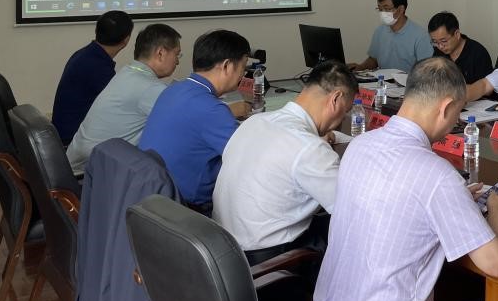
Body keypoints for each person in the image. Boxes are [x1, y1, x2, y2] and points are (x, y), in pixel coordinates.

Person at [311, 57, 498, 301]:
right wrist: (497, 212)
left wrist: (455, 200)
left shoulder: (360, 146)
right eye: (458, 114)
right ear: (446, 108)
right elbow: (494, 263)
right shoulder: (436, 175)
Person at [213, 60, 358, 264]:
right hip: (268, 261)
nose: (342, 118)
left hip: (224, 250)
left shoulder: (254, 122)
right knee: (356, 232)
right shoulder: (310, 149)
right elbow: (352, 211)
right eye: (346, 110)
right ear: (335, 99)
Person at [139, 29, 252, 207]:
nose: (242, 75)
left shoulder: (174, 89)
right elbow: (251, 159)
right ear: (227, 66)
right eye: (243, 68)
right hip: (187, 209)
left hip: (154, 198)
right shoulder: (212, 110)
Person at [66, 23, 181, 175]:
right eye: (177, 54)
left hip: (77, 165)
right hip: (88, 176)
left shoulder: (127, 72)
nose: (177, 61)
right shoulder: (149, 88)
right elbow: (185, 123)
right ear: (161, 53)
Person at [52, 10, 134, 144]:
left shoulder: (85, 54)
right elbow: (122, 108)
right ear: (126, 39)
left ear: (97, 31)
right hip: (72, 140)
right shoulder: (99, 67)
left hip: (65, 132)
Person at [348, 0, 431, 72]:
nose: (382, 13)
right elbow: (374, 59)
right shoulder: (380, 31)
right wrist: (361, 67)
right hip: (382, 79)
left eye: (387, 9)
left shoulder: (420, 36)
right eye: (380, 9)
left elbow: (427, 70)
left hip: (409, 80)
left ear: (401, 9)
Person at [428, 11, 493, 85]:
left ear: (457, 34)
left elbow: (486, 87)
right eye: (435, 42)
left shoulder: (478, 54)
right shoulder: (438, 52)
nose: (440, 46)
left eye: (444, 41)